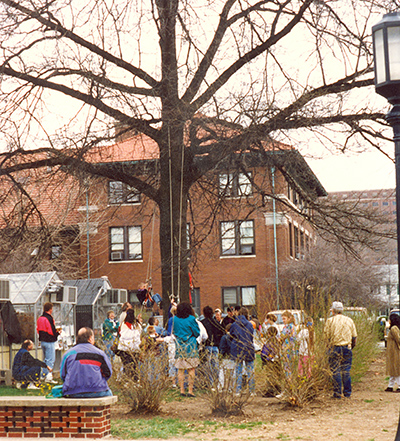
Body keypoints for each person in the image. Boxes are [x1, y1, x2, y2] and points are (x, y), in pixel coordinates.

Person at [60, 327, 112, 398]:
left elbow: (63, 375)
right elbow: (108, 373)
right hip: (96, 391)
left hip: (72, 392)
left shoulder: (68, 354)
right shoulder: (100, 354)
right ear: (90, 338)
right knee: (109, 394)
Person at [324, 301, 357, 399]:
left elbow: (326, 337)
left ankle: (337, 393)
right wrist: (351, 346)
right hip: (346, 347)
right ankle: (347, 393)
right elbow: (354, 337)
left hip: (334, 347)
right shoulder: (349, 320)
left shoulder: (330, 321)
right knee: (346, 370)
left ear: (333, 310)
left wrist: (328, 348)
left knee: (335, 371)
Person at [173, 302, 200, 397]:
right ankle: (190, 390)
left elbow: (174, 331)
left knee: (180, 369)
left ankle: (181, 390)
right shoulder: (192, 319)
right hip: (190, 345)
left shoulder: (174, 319)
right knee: (191, 368)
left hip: (179, 344)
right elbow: (197, 332)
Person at [229, 307, 255, 395]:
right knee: (250, 370)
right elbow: (251, 336)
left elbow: (231, 335)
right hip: (248, 348)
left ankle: (237, 390)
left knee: (238, 371)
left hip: (237, 348)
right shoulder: (250, 324)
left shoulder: (234, 324)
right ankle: (252, 391)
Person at [200, 306, 225, 387]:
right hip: (215, 346)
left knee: (208, 365)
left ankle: (209, 383)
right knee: (215, 365)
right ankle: (216, 382)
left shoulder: (202, 323)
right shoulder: (216, 322)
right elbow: (221, 333)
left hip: (206, 345)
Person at [36, 302, 60, 384]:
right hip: (49, 341)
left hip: (42, 341)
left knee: (45, 359)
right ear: (50, 309)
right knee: (50, 360)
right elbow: (52, 330)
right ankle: (48, 376)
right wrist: (57, 333)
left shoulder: (40, 318)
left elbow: (38, 330)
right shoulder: (49, 318)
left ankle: (43, 375)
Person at [118, 309, 142, 380]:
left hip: (124, 348)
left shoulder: (123, 324)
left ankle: (126, 380)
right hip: (134, 348)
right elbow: (139, 333)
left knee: (126, 365)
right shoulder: (136, 324)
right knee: (134, 365)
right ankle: (135, 379)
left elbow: (119, 333)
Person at [385, 313, 400, 392]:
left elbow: (399, 339)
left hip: (395, 352)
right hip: (392, 352)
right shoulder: (394, 328)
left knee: (396, 369)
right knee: (393, 370)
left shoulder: (394, 329)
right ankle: (390, 386)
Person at [280, 310, 297, 376]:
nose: (283, 320)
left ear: (289, 318)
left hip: (288, 349)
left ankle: (288, 383)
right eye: (282, 319)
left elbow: (282, 337)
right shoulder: (293, 326)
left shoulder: (288, 327)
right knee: (291, 367)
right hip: (292, 349)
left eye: (284, 319)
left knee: (287, 368)